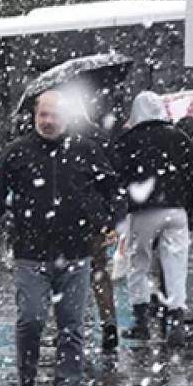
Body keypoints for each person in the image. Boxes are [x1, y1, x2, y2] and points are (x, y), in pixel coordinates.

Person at [0, 90, 121, 386]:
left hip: (75, 253)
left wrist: (108, 220)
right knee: (30, 320)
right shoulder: (17, 153)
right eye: (43, 114)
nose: (48, 121)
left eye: (54, 115)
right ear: (34, 116)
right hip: (30, 253)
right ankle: (26, 381)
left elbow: (112, 190)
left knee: (71, 325)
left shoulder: (86, 150)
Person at [112, 91, 193, 345]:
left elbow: (119, 177)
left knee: (138, 263)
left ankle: (141, 320)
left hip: (143, 211)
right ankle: (175, 321)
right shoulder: (179, 137)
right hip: (176, 210)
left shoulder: (128, 140)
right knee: (175, 264)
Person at [78, 117, 120, 351]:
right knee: (99, 272)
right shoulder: (100, 138)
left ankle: (74, 324)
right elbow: (112, 181)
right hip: (95, 217)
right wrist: (110, 218)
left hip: (69, 218)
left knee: (69, 274)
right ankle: (108, 322)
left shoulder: (62, 141)